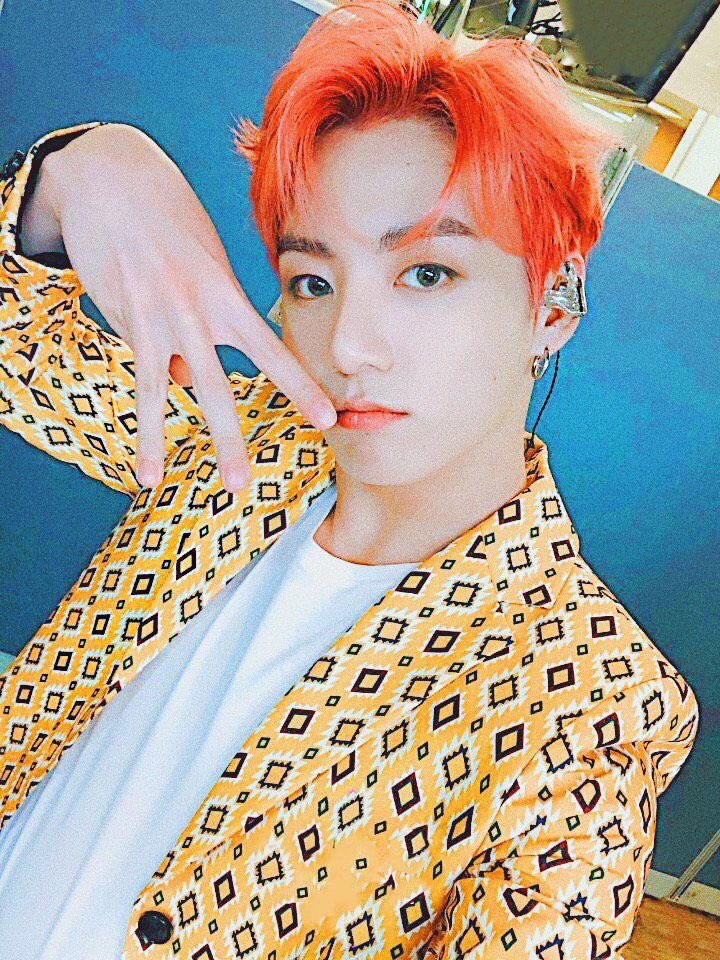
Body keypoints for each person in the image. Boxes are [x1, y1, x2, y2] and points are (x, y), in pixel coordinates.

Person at [0, 2, 699, 958]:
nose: (350, 347)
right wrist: (75, 169)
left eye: (427, 273)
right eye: (313, 281)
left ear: (552, 303)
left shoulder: (585, 696)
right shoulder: (235, 443)